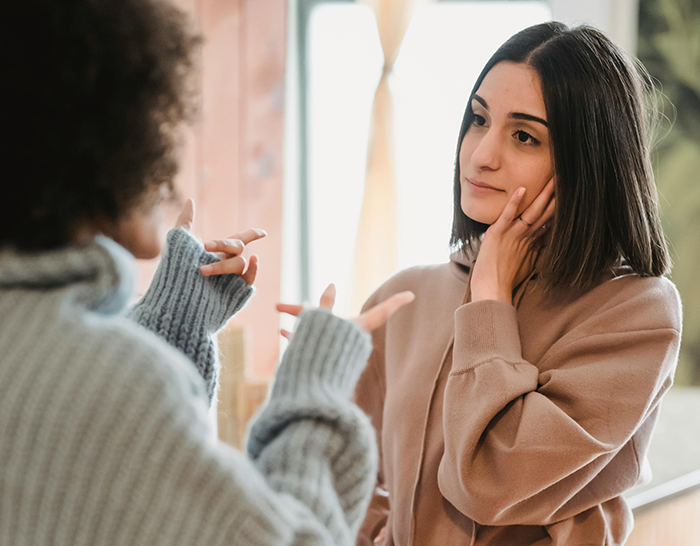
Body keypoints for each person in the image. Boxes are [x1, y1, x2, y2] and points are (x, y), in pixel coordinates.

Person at [0, 1, 414, 545]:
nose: (171, 157)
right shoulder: (121, 388)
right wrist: (316, 388)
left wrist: (175, 320)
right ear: (104, 134)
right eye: (159, 121)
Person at [354, 21, 682, 546]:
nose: (481, 154)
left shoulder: (636, 315)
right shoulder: (405, 298)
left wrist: (489, 302)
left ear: (587, 164)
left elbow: (489, 483)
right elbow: (341, 465)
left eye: (524, 135)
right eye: (479, 120)